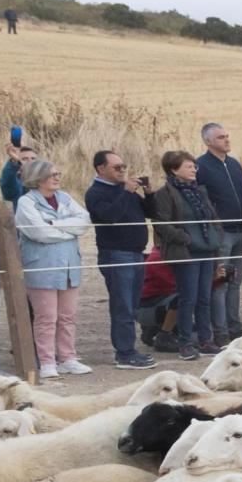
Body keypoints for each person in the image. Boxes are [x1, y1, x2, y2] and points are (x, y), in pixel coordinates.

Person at [12, 159, 93, 378]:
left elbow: (84, 220)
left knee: (68, 316)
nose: (57, 178)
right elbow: (38, 232)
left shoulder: (65, 197)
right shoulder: (26, 202)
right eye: (51, 175)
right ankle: (47, 361)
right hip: (42, 267)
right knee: (46, 318)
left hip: (69, 266)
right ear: (37, 178)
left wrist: (55, 225)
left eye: (58, 173)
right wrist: (68, 230)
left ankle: (68, 357)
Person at [84, 150, 158, 369]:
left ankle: (129, 349)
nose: (122, 171)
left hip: (136, 252)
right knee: (122, 305)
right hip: (116, 253)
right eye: (117, 167)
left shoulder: (124, 190)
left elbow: (152, 212)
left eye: (123, 167)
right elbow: (110, 217)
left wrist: (149, 192)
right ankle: (125, 353)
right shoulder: (96, 192)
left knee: (133, 304)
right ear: (101, 169)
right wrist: (126, 192)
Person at [150, 150, 221, 359]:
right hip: (185, 252)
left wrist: (216, 233)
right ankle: (185, 343)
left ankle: (205, 340)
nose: (193, 170)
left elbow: (211, 216)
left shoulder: (199, 191)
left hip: (206, 250)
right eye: (188, 166)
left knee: (204, 297)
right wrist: (185, 238)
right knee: (187, 298)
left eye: (194, 166)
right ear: (174, 169)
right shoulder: (165, 194)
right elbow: (161, 223)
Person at [194, 123, 242, 340]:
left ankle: (234, 326)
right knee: (220, 283)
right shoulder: (201, 166)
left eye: (227, 136)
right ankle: (220, 331)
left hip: (241, 231)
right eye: (220, 137)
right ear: (208, 141)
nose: (226, 140)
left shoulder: (235, 164)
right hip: (222, 234)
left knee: (235, 282)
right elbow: (203, 201)